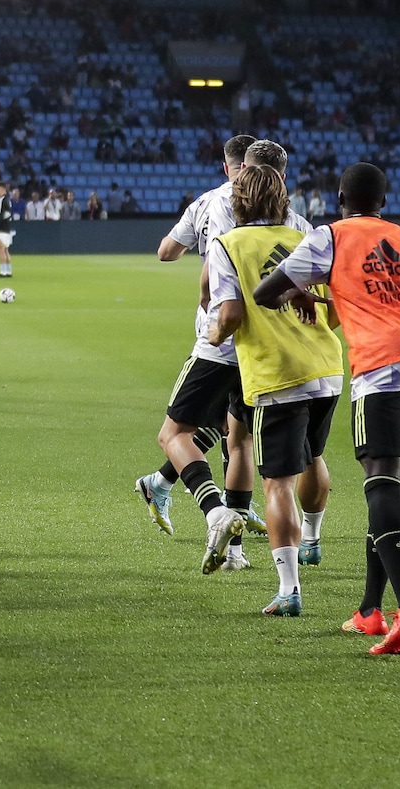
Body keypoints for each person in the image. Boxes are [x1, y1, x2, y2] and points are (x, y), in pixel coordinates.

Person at [255, 162, 400, 654]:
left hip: (382, 364)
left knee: (379, 482)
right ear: (383, 203)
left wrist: (308, 293)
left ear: (340, 196)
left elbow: (267, 292)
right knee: (387, 481)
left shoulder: (331, 236)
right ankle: (370, 610)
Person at [138, 135, 295, 568]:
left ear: (234, 167)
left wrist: (211, 310)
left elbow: (178, 257)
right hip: (268, 342)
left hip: (222, 337)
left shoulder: (214, 202)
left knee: (179, 433)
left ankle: (207, 509)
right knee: (238, 439)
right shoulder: (293, 217)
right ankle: (235, 551)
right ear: (281, 175)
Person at [209, 162, 342, 617]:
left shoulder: (228, 244)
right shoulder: (307, 239)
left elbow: (228, 314)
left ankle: (289, 589)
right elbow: (335, 308)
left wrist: (211, 338)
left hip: (276, 375)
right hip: (326, 367)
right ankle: (314, 536)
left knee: (277, 482)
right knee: (313, 457)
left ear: (237, 201)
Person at [0, 180, 18, 279]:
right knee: (5, 250)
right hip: (5, 227)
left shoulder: (4, 200)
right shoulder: (1, 200)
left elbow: (3, 216)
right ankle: (8, 271)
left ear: (2, 189)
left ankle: (3, 272)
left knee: (1, 249)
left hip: (2, 228)